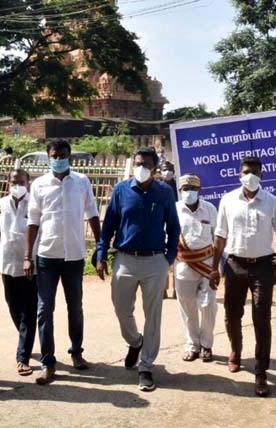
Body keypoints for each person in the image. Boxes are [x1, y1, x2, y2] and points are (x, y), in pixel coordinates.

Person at [96, 147, 180, 392]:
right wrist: (101, 253)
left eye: (145, 164)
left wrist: (169, 258)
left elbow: (174, 228)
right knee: (121, 310)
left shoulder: (164, 192)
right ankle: (135, 341)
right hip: (125, 259)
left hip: (155, 262)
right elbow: (109, 224)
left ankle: (146, 366)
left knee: (152, 315)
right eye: (137, 163)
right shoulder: (121, 190)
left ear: (154, 167)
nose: (140, 167)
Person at [210, 156, 276, 398]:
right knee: (232, 314)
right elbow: (220, 237)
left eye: (255, 172)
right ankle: (235, 351)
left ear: (262, 175)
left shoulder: (273, 203)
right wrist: (215, 267)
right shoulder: (228, 200)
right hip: (235, 266)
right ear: (239, 175)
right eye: (247, 172)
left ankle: (261, 372)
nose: (251, 176)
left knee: (261, 318)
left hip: (263, 268)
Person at [25, 139, 101, 385]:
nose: (59, 158)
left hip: (74, 257)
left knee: (75, 307)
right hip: (47, 255)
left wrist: (100, 248)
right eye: (54, 155)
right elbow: (33, 221)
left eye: (63, 154)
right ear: (48, 157)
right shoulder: (39, 185)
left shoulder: (81, 182)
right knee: (44, 310)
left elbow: (93, 214)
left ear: (70, 156)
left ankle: (76, 352)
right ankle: (48, 362)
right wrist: (28, 256)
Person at [0, 168, 38, 376]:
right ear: (8, 182)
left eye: (21, 182)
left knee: (29, 312)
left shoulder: (35, 204)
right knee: (13, 307)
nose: (17, 185)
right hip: (7, 264)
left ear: (28, 183)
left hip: (30, 265)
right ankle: (25, 337)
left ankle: (22, 356)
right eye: (14, 182)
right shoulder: (1, 204)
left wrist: (29, 258)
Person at [175, 173, 218, 363]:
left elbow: (218, 236)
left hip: (207, 264)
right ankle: (192, 345)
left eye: (193, 189)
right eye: (185, 189)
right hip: (183, 264)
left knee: (208, 305)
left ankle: (207, 344)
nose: (189, 192)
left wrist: (218, 265)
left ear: (199, 190)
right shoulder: (174, 209)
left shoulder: (209, 209)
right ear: (180, 190)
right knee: (187, 306)